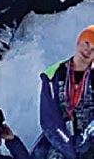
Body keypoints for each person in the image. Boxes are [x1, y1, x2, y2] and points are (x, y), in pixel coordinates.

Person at [32, 25, 94, 159]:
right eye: (86, 43)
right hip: (60, 139)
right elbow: (49, 119)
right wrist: (68, 148)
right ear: (78, 41)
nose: (88, 51)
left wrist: (87, 137)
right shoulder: (53, 74)